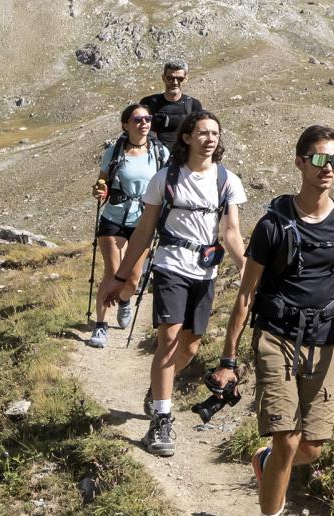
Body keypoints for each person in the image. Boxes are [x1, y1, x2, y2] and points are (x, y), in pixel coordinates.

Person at [210, 125, 334, 516]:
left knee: (312, 448)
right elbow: (246, 294)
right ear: (300, 162)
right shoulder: (273, 224)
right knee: (286, 436)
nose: (328, 170)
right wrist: (228, 359)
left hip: (323, 344)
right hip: (276, 337)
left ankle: (266, 463)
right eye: (320, 160)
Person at [98, 110, 248, 457]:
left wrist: (245, 267)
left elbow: (231, 232)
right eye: (202, 133)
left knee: (191, 346)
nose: (209, 139)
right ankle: (162, 419)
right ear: (186, 137)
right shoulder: (165, 178)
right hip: (170, 264)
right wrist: (120, 277)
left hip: (206, 270)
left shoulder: (228, 181)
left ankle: (156, 391)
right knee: (169, 336)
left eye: (215, 133)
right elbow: (144, 231)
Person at [87, 103, 171, 348]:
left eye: (147, 119)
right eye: (137, 119)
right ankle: (101, 326)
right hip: (113, 218)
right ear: (126, 125)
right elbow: (102, 181)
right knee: (113, 273)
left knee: (133, 280)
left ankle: (124, 300)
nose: (143, 123)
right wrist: (99, 189)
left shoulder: (160, 153)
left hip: (143, 222)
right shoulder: (113, 153)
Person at [139, 59, 203, 151]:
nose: (175, 82)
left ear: (185, 79)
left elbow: (199, 134)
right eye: (170, 78)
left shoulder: (194, 105)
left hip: (183, 159)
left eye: (180, 78)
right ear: (163, 78)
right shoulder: (148, 102)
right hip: (155, 158)